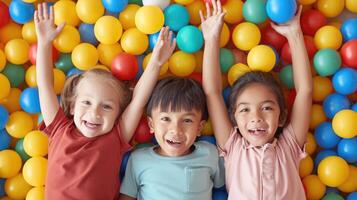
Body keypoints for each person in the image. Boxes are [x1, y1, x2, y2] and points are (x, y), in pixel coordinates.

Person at [34, 3, 176, 199]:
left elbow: (138, 102)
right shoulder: (59, 129)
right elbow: (45, 86)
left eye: (107, 106)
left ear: (118, 114)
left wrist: (156, 62)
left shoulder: (115, 138)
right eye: (86, 102)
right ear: (73, 106)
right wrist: (44, 43)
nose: (95, 113)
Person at [200, 0, 312, 199]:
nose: (256, 117)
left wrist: (295, 34)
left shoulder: (289, 145)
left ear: (282, 116)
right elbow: (212, 92)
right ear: (233, 118)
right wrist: (211, 39)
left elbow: (304, 91)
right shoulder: (233, 146)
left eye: (267, 108)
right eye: (244, 109)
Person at [119, 77, 225, 200]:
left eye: (187, 120)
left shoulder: (209, 153)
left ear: (199, 127)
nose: (176, 130)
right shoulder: (138, 159)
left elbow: (225, 185)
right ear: (151, 124)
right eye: (166, 119)